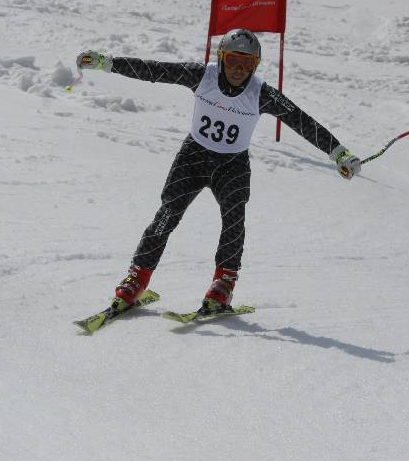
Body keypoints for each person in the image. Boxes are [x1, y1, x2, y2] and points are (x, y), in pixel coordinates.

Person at [75, 28, 361, 315]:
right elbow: (155, 70)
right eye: (233, 60)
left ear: (256, 65)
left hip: (232, 165)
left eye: (247, 64)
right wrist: (107, 63)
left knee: (234, 222)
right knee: (166, 216)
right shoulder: (202, 76)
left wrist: (338, 153)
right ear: (221, 57)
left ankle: (223, 283)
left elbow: (301, 120)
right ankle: (137, 277)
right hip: (193, 157)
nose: (239, 70)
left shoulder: (261, 93)